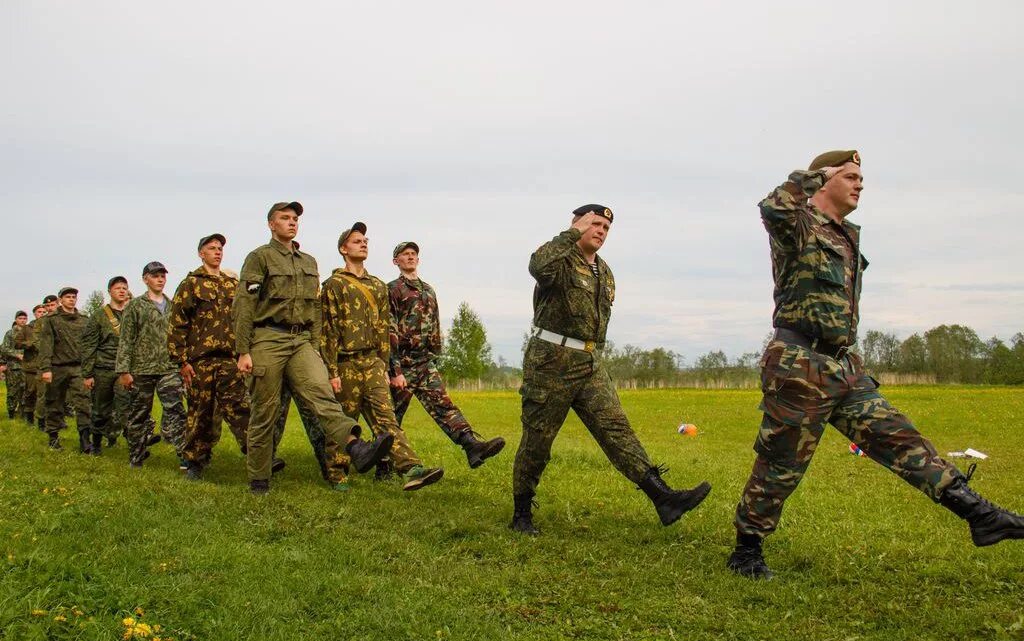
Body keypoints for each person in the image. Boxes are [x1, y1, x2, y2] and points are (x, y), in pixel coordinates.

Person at [728, 150, 1024, 579]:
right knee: (781, 464)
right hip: (800, 364)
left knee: (901, 439)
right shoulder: (800, 225)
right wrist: (812, 176)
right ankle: (746, 550)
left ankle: (980, 515)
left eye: (862, 177)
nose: (860, 183)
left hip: (845, 366)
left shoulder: (847, 235)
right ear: (825, 179)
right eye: (850, 175)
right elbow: (773, 207)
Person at [511, 205, 711, 535]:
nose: (601, 230)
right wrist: (573, 232)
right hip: (551, 362)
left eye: (606, 226)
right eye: (595, 223)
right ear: (578, 224)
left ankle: (663, 498)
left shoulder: (604, 271)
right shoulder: (557, 259)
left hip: (590, 363)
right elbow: (537, 266)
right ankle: (521, 514)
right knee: (538, 442)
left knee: (617, 430)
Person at [233, 202, 392, 494]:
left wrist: (316, 345)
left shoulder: (308, 261)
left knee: (324, 396)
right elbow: (244, 305)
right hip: (268, 338)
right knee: (265, 412)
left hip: (301, 341)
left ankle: (357, 448)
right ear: (271, 224)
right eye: (285, 218)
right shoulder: (260, 258)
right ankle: (259, 479)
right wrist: (243, 350)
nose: (292, 222)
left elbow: (316, 309)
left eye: (295, 219)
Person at [321, 223, 444, 491]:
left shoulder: (377, 285)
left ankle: (411, 468)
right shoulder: (334, 284)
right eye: (356, 241)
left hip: (374, 362)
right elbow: (328, 330)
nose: (363, 243)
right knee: (346, 417)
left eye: (365, 240)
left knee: (386, 418)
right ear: (343, 249)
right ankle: (337, 473)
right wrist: (331, 372)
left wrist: (387, 366)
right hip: (345, 362)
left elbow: (385, 328)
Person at [387, 241, 505, 469]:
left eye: (414, 254)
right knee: (392, 416)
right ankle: (384, 467)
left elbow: (435, 324)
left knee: (444, 406)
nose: (411, 257)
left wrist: (434, 356)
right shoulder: (392, 289)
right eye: (405, 254)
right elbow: (389, 329)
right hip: (402, 364)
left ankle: (472, 445)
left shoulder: (428, 290)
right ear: (396, 261)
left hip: (424, 364)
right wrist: (394, 369)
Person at [168, 234, 252, 480]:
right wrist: (181, 361)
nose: (217, 252)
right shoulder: (191, 283)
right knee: (200, 413)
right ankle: (195, 462)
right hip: (200, 361)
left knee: (240, 408)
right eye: (211, 248)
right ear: (201, 253)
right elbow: (177, 324)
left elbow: (243, 320)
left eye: (220, 248)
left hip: (229, 359)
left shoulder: (231, 284)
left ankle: (257, 458)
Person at [116, 262, 187, 468]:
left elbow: (178, 336)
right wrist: (123, 370)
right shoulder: (134, 306)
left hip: (168, 368)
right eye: (155, 275)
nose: (160, 279)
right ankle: (136, 457)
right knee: (139, 414)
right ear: (145, 279)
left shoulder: (173, 306)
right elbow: (126, 339)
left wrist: (182, 363)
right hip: (141, 369)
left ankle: (184, 456)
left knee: (176, 411)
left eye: (163, 275)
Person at [36, 287, 92, 452]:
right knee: (54, 402)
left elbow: (88, 344)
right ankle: (53, 437)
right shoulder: (51, 319)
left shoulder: (83, 319)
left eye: (74, 297)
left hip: (78, 368)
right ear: (60, 299)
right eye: (68, 297)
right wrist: (46, 369)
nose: (71, 299)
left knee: (83, 403)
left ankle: (84, 440)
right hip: (57, 367)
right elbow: (46, 345)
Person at [82, 276, 132, 450]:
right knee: (100, 410)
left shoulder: (132, 313)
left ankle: (135, 447)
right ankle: (96, 443)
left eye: (124, 288)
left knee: (126, 406)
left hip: (124, 371)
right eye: (118, 288)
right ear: (110, 291)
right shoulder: (99, 316)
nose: (121, 291)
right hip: (103, 370)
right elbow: (89, 346)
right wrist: (87, 374)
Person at [14, 305, 46, 426]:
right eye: (39, 312)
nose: (42, 314)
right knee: (30, 392)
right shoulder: (27, 329)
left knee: (44, 394)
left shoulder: (49, 326)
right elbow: (16, 343)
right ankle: (29, 418)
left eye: (44, 312)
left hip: (46, 365)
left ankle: (43, 421)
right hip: (31, 366)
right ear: (34, 314)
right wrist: (29, 344)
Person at [32, 294, 59, 429]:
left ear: (58, 304)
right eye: (47, 305)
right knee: (43, 393)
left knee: (60, 394)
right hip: (45, 362)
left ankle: (58, 420)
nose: (50, 307)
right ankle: (41, 420)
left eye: (52, 305)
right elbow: (37, 342)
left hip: (62, 363)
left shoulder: (62, 319)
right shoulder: (40, 322)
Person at [1, 311, 28, 419]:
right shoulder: (10, 333)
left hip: (26, 367)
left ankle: (23, 413)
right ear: (16, 319)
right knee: (12, 391)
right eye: (20, 318)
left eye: (25, 318)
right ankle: (11, 413)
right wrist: (17, 355)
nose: (23, 320)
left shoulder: (29, 332)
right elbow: (4, 349)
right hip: (13, 367)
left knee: (25, 391)